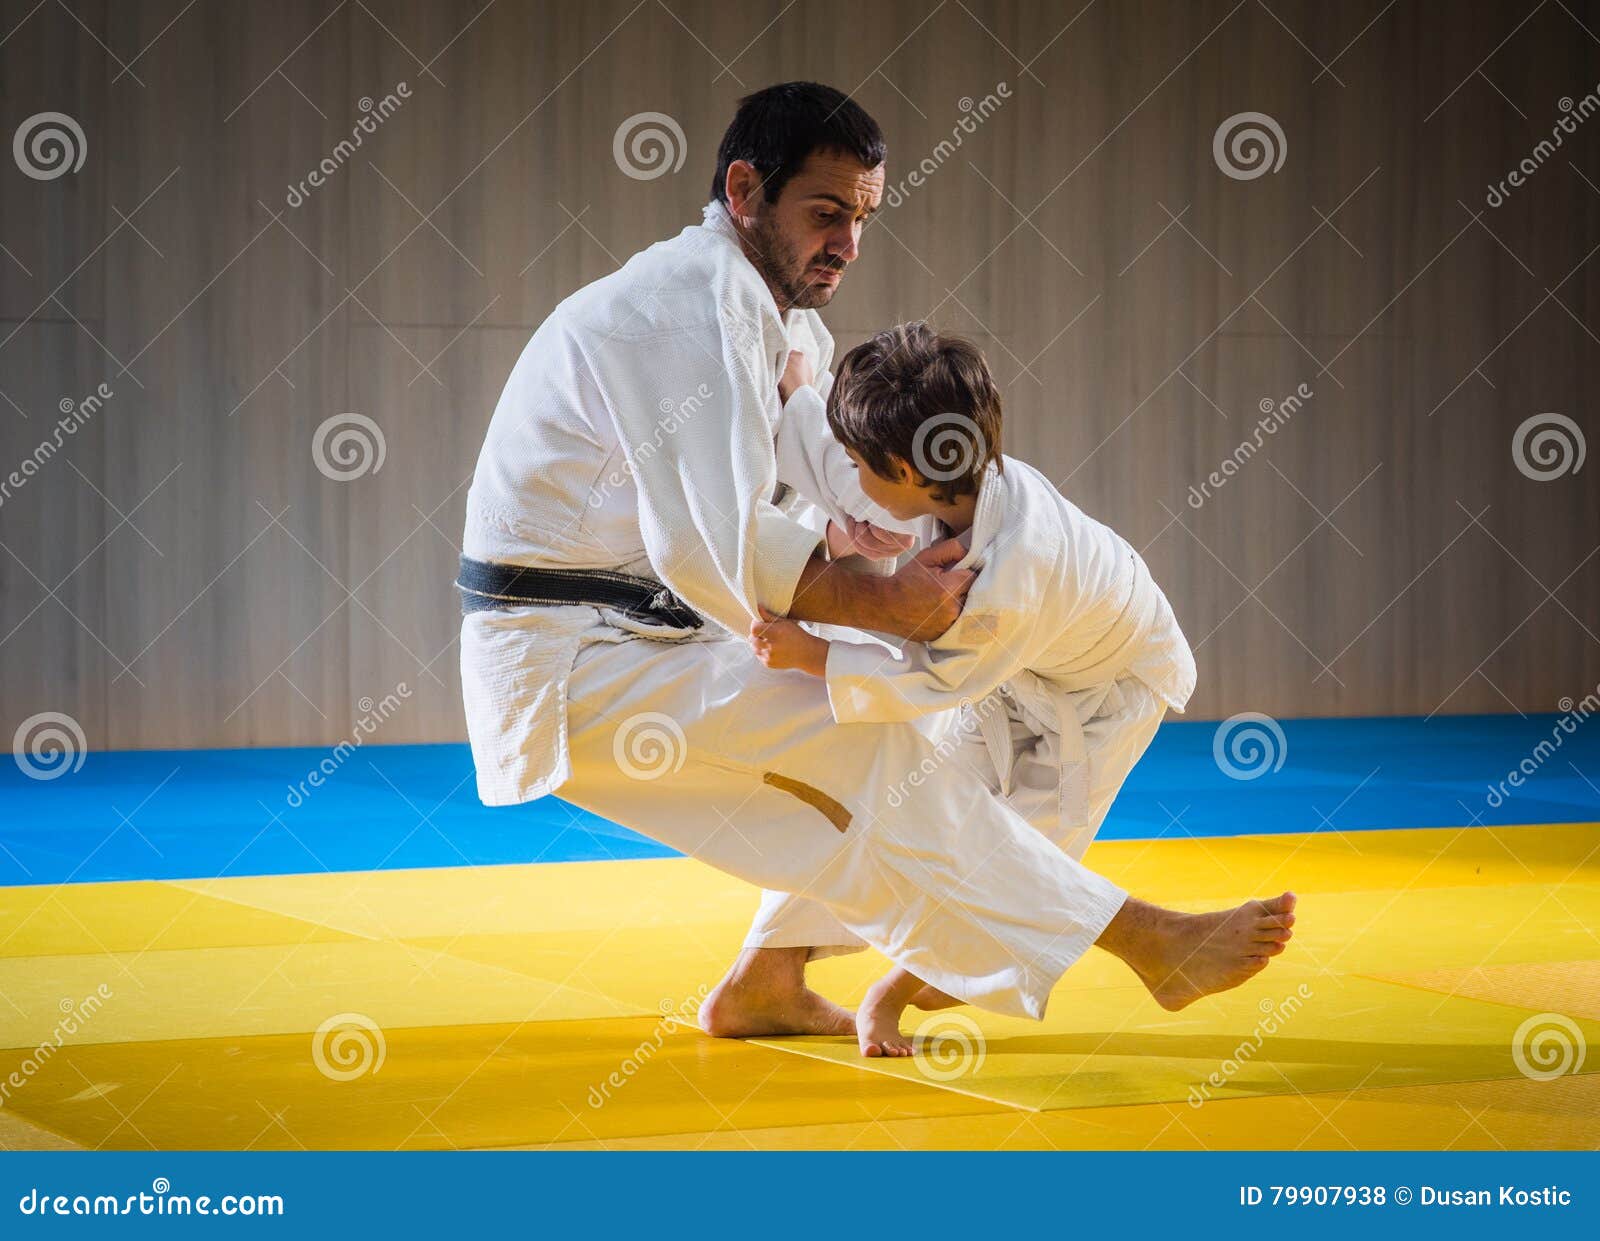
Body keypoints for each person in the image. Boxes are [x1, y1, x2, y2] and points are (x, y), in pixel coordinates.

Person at [459, 81, 1295, 1042]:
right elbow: (701, 546)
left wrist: (908, 540)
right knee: (877, 753)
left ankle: (767, 984)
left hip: (642, 633)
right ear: (743, 188)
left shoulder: (774, 318)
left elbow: (835, 467)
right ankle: (1146, 941)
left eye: (862, 217)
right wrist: (884, 603)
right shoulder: (688, 304)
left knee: (865, 777)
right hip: (574, 658)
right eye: (825, 213)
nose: (848, 243)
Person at [741, 323, 1294, 1055]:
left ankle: (897, 990)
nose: (847, 477)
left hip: (1108, 691)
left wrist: (812, 653)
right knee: (887, 795)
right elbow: (836, 457)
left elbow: (933, 681)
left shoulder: (1010, 573)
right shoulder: (951, 478)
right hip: (1016, 679)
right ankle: (766, 978)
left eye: (857, 464)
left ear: (907, 470)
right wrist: (796, 381)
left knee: (1012, 856)